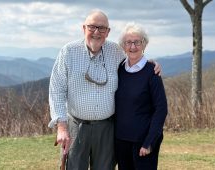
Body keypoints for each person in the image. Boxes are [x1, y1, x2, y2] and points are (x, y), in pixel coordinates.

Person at [48, 10, 161, 170]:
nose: (96, 32)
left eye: (102, 28)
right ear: (83, 28)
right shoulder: (68, 52)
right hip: (76, 127)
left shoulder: (116, 51)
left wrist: (150, 64)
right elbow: (56, 90)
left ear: (108, 32)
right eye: (92, 27)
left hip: (107, 128)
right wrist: (61, 127)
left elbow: (134, 59)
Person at [114, 22, 168, 170]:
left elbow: (161, 109)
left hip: (143, 142)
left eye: (137, 42)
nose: (132, 47)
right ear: (123, 46)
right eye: (128, 42)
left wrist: (149, 142)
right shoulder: (119, 70)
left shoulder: (152, 72)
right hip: (121, 140)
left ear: (144, 44)